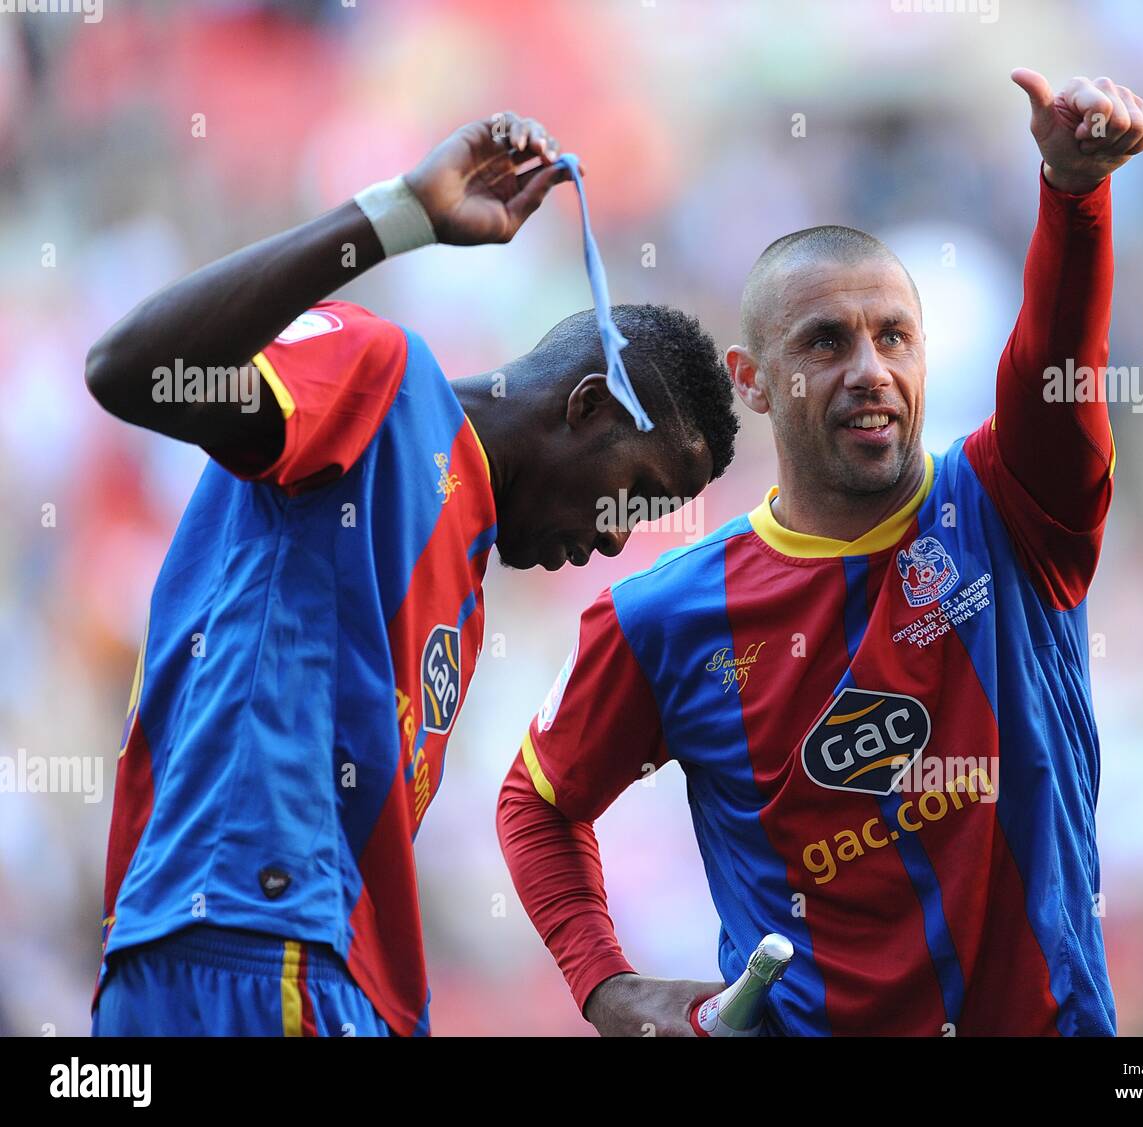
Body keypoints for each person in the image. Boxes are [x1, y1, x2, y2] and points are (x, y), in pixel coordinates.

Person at [497, 71, 1143, 1036]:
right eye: (824, 342)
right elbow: (538, 804)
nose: (870, 371)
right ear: (752, 382)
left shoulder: (1013, 508)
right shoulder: (664, 618)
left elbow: (1061, 359)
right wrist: (606, 984)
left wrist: (1073, 191)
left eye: (895, 336)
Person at [86, 110, 739, 1036]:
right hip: (250, 945)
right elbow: (135, 369)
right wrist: (397, 217)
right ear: (589, 406)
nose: (612, 540)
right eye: (633, 494)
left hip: (318, 973)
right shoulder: (384, 385)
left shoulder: (466, 577)